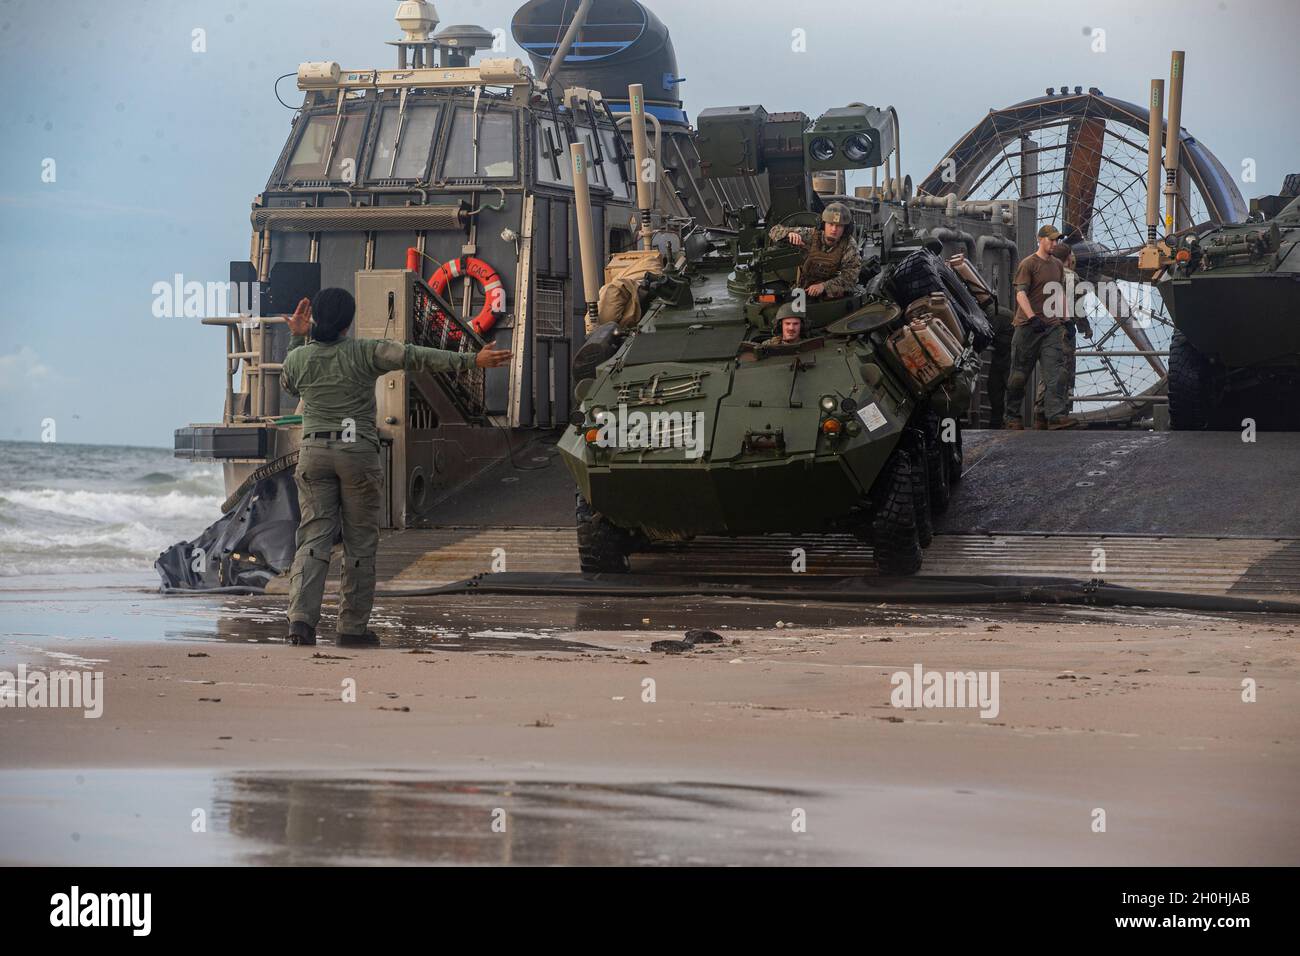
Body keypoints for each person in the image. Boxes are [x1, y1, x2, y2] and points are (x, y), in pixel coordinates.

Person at [280, 288, 511, 647]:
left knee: (313, 539)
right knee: (359, 544)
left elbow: (287, 381)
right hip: (357, 454)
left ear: (316, 319)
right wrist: (471, 361)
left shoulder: (300, 357)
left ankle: (300, 624)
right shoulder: (365, 352)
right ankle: (352, 629)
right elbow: (414, 356)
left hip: (313, 453)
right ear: (348, 322)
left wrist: (297, 336)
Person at [1003, 224, 1077, 430]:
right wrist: (1032, 317)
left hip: (1052, 327)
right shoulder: (1028, 264)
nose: (1054, 243)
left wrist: (1067, 319)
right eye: (1051, 240)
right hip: (1028, 327)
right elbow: (1020, 294)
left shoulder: (1057, 265)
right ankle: (1011, 417)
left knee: (1057, 373)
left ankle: (1055, 415)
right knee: (1019, 375)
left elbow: (1059, 292)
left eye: (1057, 240)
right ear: (1040, 239)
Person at [1033, 242, 1092, 426]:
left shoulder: (1041, 271)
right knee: (1062, 372)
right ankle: (1058, 414)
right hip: (1062, 331)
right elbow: (1077, 308)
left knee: (1047, 372)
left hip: (1040, 328)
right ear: (1069, 258)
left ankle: (1040, 413)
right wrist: (1085, 328)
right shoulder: (1071, 277)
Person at [768, 202, 862, 300]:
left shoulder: (849, 245)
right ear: (823, 224)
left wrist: (823, 286)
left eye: (839, 226)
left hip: (831, 293)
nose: (834, 229)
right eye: (830, 224)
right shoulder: (811, 235)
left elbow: (851, 277)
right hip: (803, 289)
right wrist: (788, 234)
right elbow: (773, 231)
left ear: (845, 228)